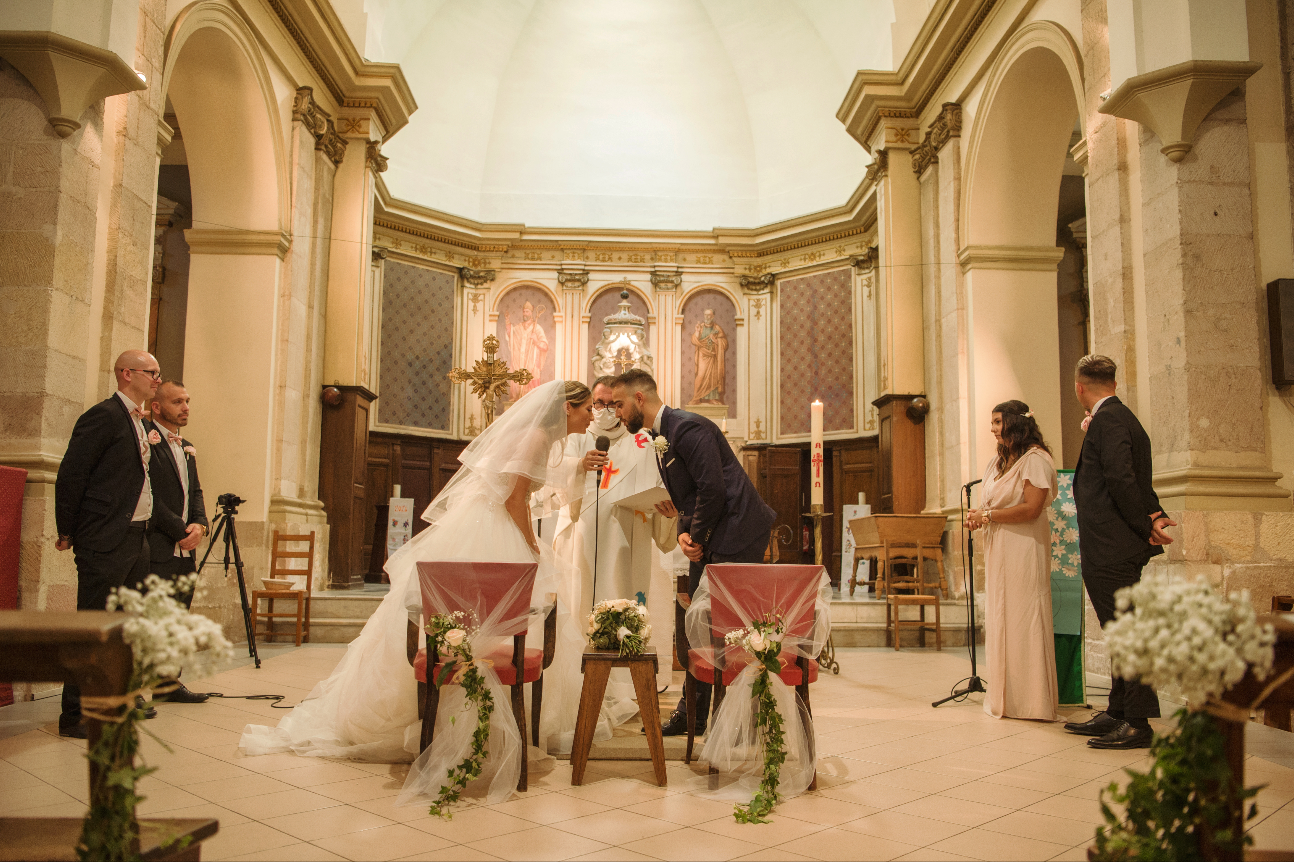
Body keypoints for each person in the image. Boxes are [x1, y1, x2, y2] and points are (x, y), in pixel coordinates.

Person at [240, 380, 593, 785]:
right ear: (567, 407)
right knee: (481, 625)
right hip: (493, 530)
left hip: (487, 524)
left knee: (478, 627)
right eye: (586, 409)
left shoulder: (540, 437)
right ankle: (463, 724)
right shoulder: (534, 435)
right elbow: (514, 500)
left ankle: (473, 720)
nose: (590, 417)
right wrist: (530, 547)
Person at [610, 368, 776, 736]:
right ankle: (697, 713)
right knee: (700, 622)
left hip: (736, 532)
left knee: (726, 625)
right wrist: (685, 532)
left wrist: (695, 536)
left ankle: (738, 715)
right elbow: (690, 496)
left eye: (619, 404)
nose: (617, 414)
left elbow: (713, 489)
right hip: (714, 533)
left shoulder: (688, 427)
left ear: (639, 399)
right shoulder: (662, 436)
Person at [1064, 354, 1176, 750]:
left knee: (1126, 633)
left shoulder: (1109, 419)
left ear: (1079, 386)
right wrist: (1155, 515)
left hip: (1111, 546)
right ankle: (1118, 710)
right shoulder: (1121, 416)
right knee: (1120, 631)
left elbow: (1121, 478)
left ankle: (1139, 722)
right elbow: (1135, 478)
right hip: (1116, 543)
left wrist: (1145, 524)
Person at [54, 349, 162, 737]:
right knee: (94, 626)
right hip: (105, 537)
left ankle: (119, 699)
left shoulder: (138, 420)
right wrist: (67, 529)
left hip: (137, 536)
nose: (157, 381)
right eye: (152, 373)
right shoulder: (103, 415)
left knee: (128, 625)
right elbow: (72, 474)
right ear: (125, 373)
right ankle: (75, 713)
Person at [552, 375, 678, 705]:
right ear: (590, 404)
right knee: (581, 605)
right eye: (599, 403)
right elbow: (551, 473)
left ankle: (624, 688)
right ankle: (582, 684)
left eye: (613, 403)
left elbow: (660, 488)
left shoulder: (644, 443)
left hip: (627, 541)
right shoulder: (579, 437)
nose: (607, 410)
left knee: (626, 603)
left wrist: (666, 510)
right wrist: (578, 468)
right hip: (584, 540)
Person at [966, 401, 1060, 722]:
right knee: (1002, 616)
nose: (992, 428)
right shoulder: (999, 461)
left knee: (1024, 617)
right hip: (1000, 547)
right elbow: (991, 502)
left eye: (996, 422)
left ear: (1014, 423)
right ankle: (1006, 698)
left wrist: (988, 515)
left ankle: (1032, 701)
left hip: (1024, 547)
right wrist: (979, 517)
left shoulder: (1035, 460)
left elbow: (1032, 508)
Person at [146, 380, 210, 704]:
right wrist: (182, 530)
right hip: (156, 544)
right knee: (150, 618)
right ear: (156, 406)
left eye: (187, 401)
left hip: (184, 549)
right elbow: (149, 496)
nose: (186, 407)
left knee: (177, 616)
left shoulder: (187, 447)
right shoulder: (145, 440)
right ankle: (133, 687)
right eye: (177, 402)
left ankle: (168, 683)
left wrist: (200, 524)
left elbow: (195, 491)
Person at [690, 309, 727, 404]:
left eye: (709, 315)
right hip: (702, 355)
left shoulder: (717, 329)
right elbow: (694, 340)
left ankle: (712, 398)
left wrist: (715, 340)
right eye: (706, 315)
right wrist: (697, 332)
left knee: (713, 377)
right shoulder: (700, 327)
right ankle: (696, 397)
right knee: (701, 375)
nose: (707, 317)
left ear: (713, 316)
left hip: (713, 356)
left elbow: (724, 344)